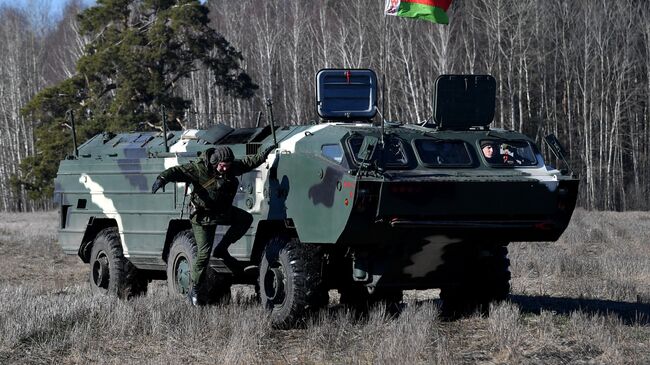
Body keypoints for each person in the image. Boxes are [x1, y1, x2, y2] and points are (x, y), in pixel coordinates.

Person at [151, 144, 276, 305]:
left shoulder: (230, 168)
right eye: (223, 166)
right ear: (215, 161)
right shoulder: (199, 169)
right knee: (203, 254)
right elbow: (177, 171)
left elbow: (248, 163)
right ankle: (194, 290)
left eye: (228, 166)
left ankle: (222, 249)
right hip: (203, 218)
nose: (225, 169)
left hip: (222, 212)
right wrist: (162, 179)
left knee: (245, 219)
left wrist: (264, 154)